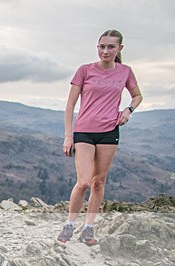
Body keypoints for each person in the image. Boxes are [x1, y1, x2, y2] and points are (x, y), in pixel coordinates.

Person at [57, 29, 142, 245]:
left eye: (111, 47)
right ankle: (69, 224)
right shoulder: (85, 71)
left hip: (109, 132)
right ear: (97, 47)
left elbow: (138, 96)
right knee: (83, 182)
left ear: (119, 49)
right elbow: (70, 105)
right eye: (102, 46)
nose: (105, 51)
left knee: (98, 182)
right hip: (84, 131)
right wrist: (68, 136)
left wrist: (128, 111)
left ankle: (89, 228)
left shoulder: (125, 71)